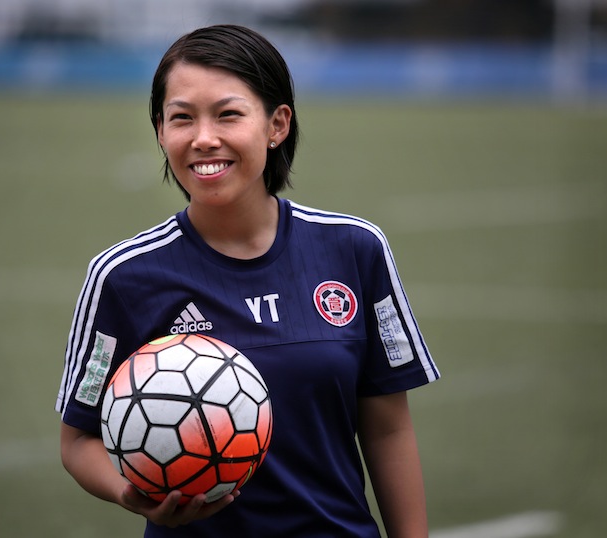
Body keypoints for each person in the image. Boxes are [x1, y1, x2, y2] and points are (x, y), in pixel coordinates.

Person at [56, 24, 440, 537]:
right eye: (182, 118)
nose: (204, 138)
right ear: (160, 130)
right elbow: (77, 440)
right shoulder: (124, 276)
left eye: (228, 114)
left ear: (277, 124)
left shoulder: (354, 249)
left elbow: (389, 428)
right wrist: (133, 495)